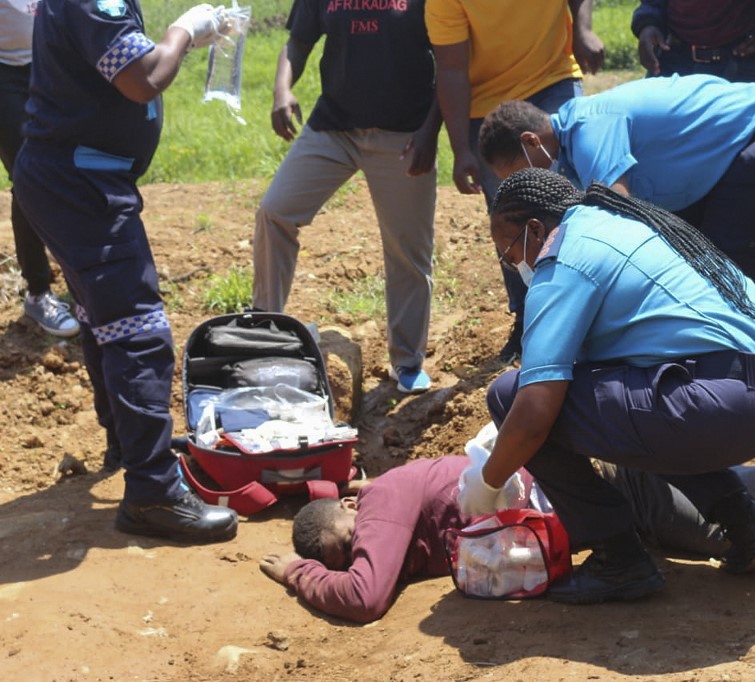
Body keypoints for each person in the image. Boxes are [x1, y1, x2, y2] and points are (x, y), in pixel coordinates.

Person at [455, 167, 755, 605]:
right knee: (629, 398)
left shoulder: (564, 256)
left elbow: (533, 414)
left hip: (728, 406)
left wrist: (489, 479)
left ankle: (618, 556)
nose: (515, 266)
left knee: (509, 394)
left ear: (535, 229)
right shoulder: (618, 225)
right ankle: (747, 525)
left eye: (510, 253)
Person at [259, 438, 755, 622]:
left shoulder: (380, 504)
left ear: (348, 522)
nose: (363, 555)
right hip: (611, 466)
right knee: (749, 486)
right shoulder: (393, 498)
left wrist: (297, 573)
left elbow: (362, 596)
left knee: (740, 532)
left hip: (602, 491)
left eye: (347, 547)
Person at [13, 1, 238, 542]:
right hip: (81, 184)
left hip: (73, 176)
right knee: (138, 331)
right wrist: (184, 30)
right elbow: (142, 80)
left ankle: (130, 443)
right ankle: (152, 494)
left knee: (103, 318)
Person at [251, 0, 440, 395]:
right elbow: (298, 42)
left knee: (408, 249)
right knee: (276, 212)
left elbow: (453, 57)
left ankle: (407, 361)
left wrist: (429, 131)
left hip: (402, 136)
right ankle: (265, 330)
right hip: (333, 128)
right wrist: (282, 91)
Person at [478, 74, 755, 283]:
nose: (527, 186)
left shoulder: (588, 128)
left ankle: (739, 380)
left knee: (715, 285)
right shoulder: (572, 148)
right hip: (735, 166)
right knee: (688, 270)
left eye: (521, 174)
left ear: (530, 142)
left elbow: (616, 219)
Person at [425, 0, 604, 361]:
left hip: (553, 78)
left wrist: (582, 29)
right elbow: (452, 68)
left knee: (569, 200)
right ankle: (529, 317)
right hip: (487, 102)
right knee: (510, 215)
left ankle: (591, 310)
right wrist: (462, 149)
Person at [0, 0, 79, 338]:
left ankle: (84, 281)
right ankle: (38, 292)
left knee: (71, 169)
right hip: (5, 76)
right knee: (30, 177)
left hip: (49, 66)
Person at [631, 0, 755, 86]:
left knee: (741, 155)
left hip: (741, 63)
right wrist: (648, 21)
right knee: (665, 151)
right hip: (672, 58)